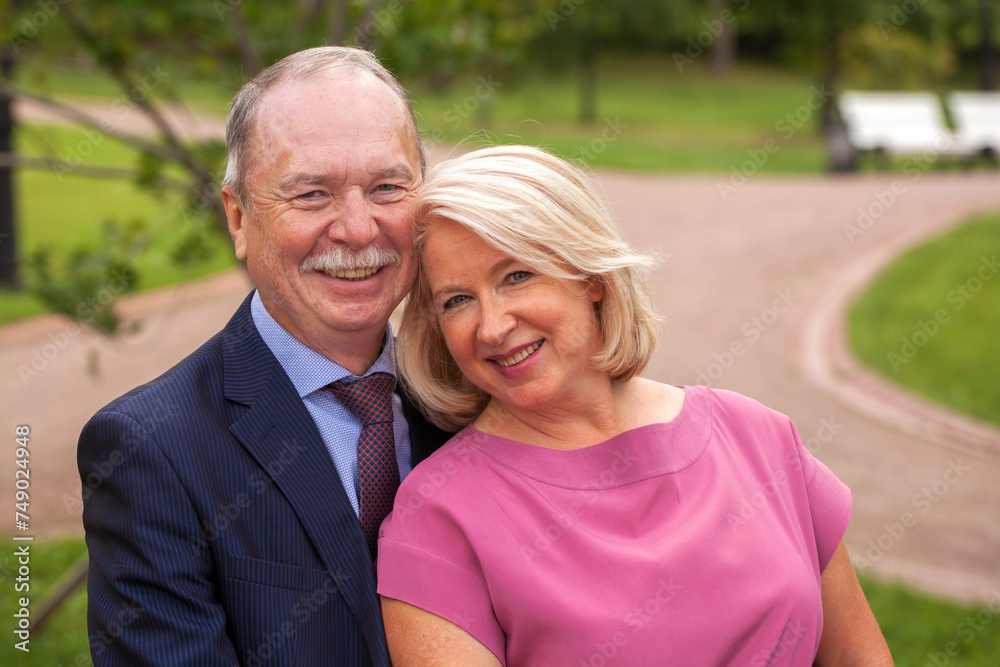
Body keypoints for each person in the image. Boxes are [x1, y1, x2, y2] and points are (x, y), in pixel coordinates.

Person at [377, 144, 894, 666]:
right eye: (457, 300)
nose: (492, 327)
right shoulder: (438, 517)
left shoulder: (759, 437)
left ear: (591, 277)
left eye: (516, 276)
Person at [77, 46, 450, 666]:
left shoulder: (470, 398)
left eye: (387, 187)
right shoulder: (149, 452)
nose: (358, 229)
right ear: (238, 218)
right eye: (311, 194)